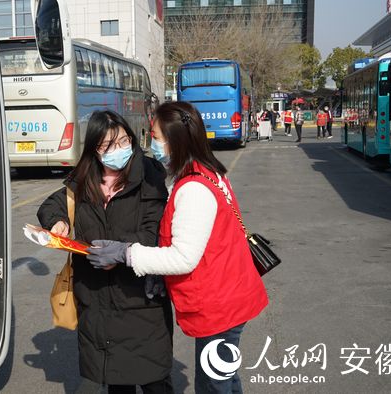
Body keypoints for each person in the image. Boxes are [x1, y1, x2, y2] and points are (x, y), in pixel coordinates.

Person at [86, 102, 268, 394]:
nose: (151, 143)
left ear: (174, 141)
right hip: (232, 292)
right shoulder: (207, 171)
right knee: (226, 377)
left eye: (156, 137)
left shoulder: (194, 189)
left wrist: (125, 252)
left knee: (213, 385)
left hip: (220, 304)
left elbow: (183, 258)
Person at [37, 110, 174, 393]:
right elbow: (51, 206)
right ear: (95, 150)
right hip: (96, 301)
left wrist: (119, 252)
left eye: (124, 141)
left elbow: (153, 232)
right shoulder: (83, 178)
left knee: (154, 382)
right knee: (115, 381)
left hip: (139, 302)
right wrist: (59, 222)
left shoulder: (149, 176)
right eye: (108, 146)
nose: (119, 150)